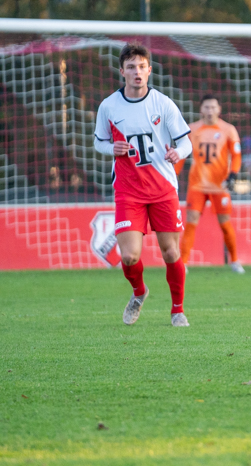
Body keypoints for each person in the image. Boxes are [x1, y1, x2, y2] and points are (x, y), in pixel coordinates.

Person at [93, 44, 193, 327]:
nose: (137, 72)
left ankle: (177, 310)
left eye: (142, 67)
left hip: (162, 189)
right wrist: (111, 148)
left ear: (149, 70)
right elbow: (98, 141)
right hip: (128, 191)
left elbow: (185, 140)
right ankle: (139, 292)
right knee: (129, 256)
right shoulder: (109, 106)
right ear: (122, 71)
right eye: (131, 67)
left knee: (171, 252)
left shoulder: (162, 103)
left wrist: (179, 152)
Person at [174, 94, 245, 274]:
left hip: (219, 185)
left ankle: (235, 261)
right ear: (201, 109)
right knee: (191, 222)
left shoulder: (228, 130)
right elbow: (182, 154)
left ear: (219, 109)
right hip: (197, 185)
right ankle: (184, 263)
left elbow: (236, 155)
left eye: (213, 107)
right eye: (206, 107)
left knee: (225, 223)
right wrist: (173, 174)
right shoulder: (192, 129)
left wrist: (233, 174)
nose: (210, 111)